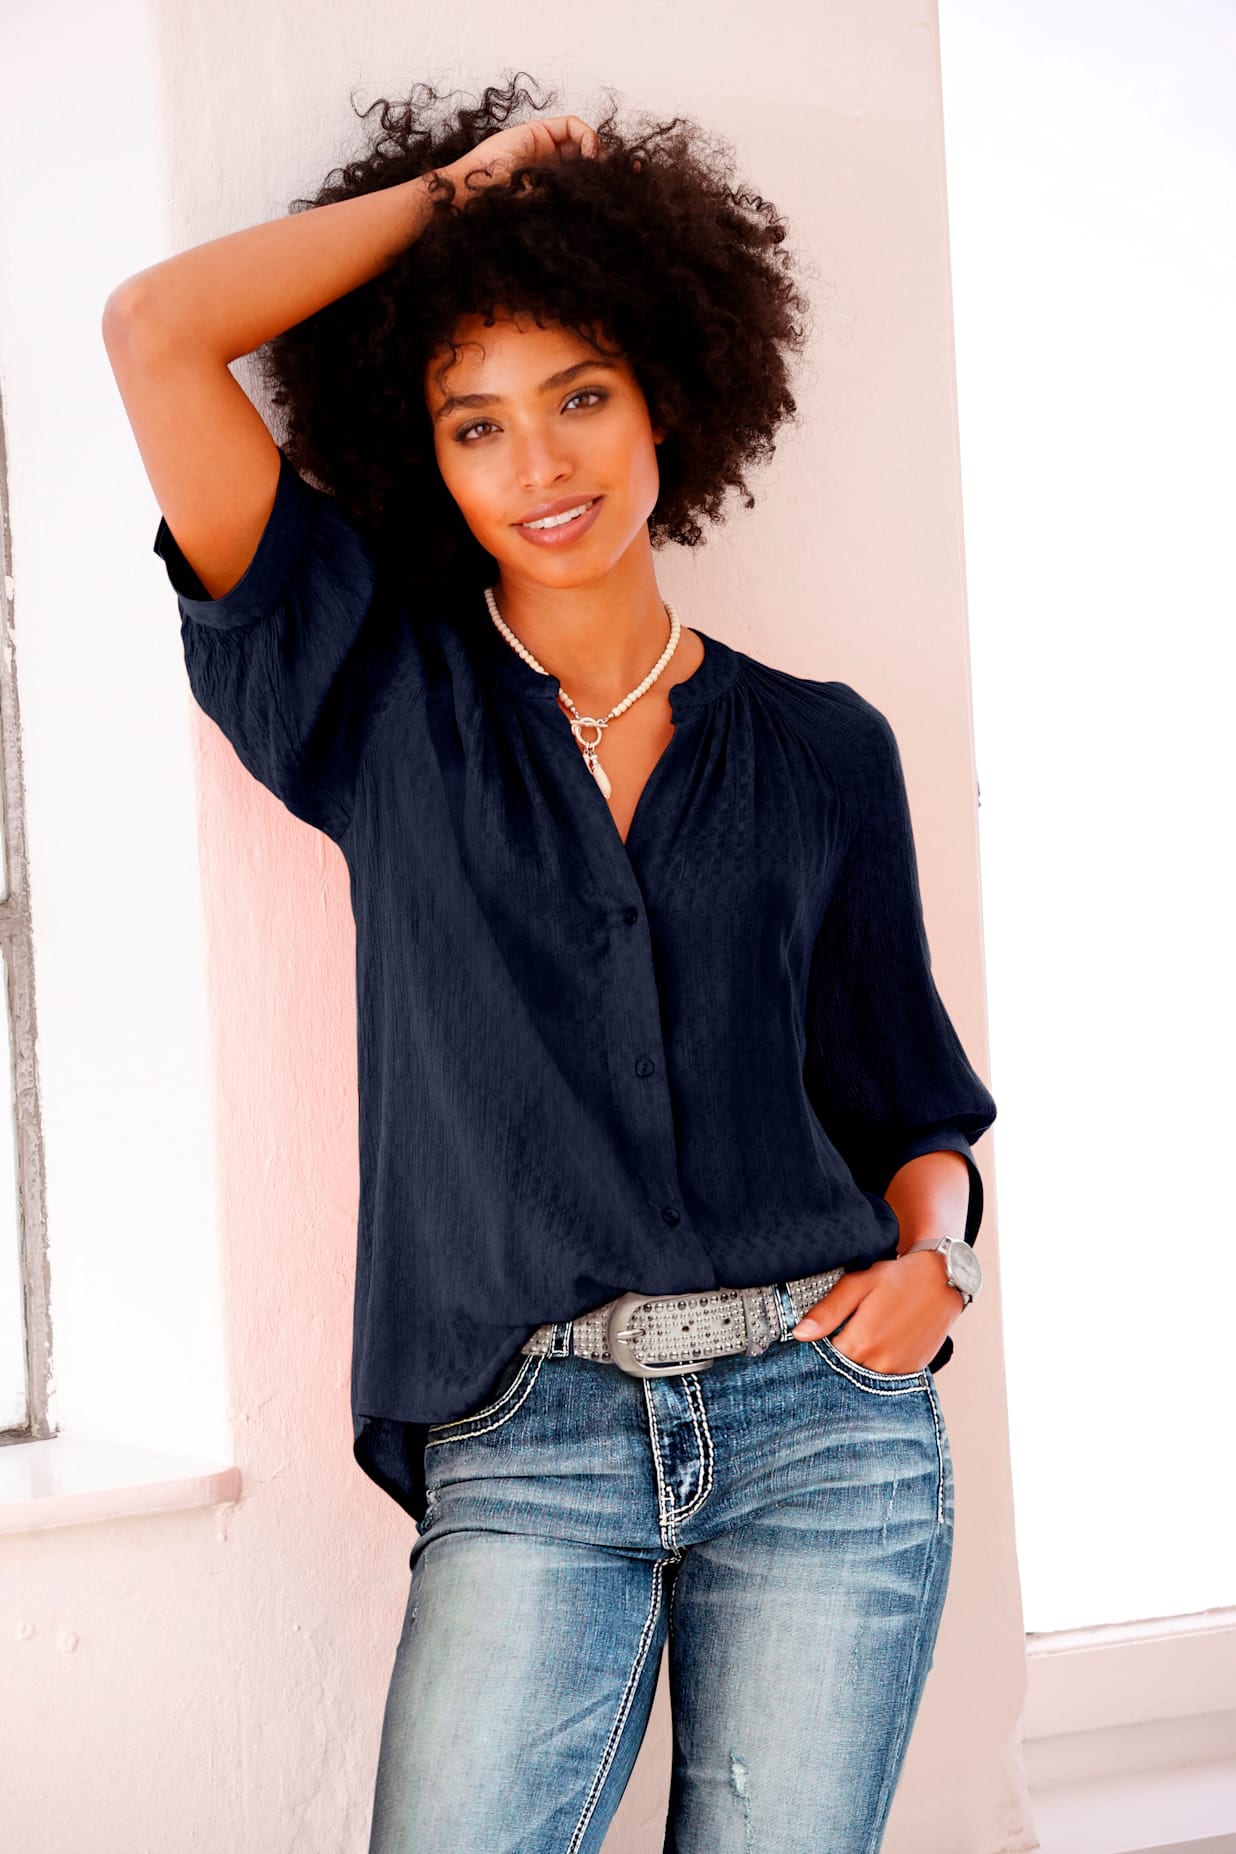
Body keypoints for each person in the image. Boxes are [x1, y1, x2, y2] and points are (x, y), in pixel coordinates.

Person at [104, 74, 997, 1854]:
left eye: (579, 394)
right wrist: (467, 194)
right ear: (424, 455)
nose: (541, 465)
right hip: (530, 1439)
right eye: (476, 422)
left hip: (829, 1424)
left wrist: (940, 1263)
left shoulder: (825, 747)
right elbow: (156, 331)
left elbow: (912, 1103)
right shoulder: (370, 689)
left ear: (668, 392)